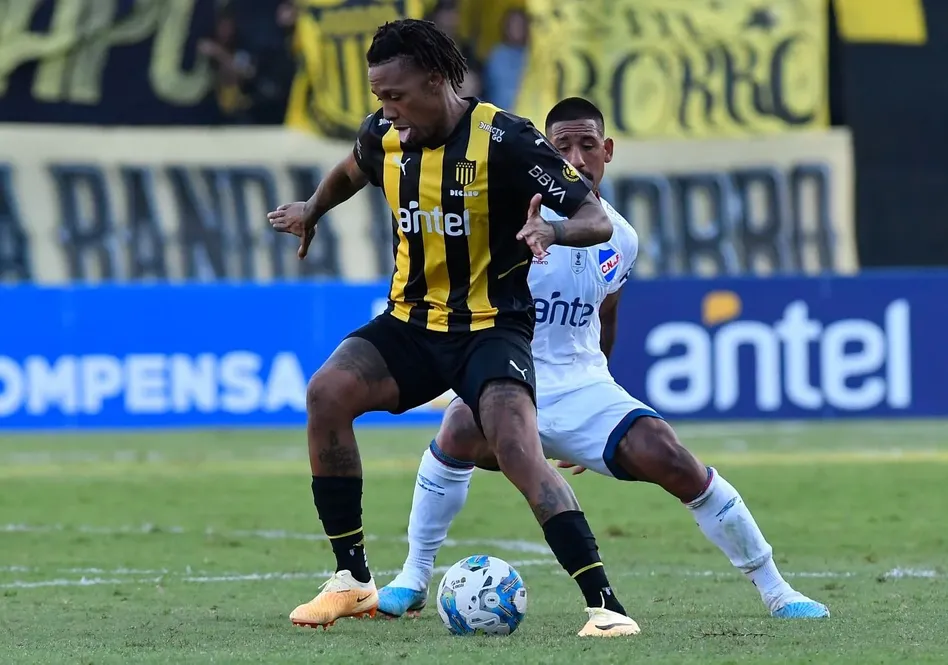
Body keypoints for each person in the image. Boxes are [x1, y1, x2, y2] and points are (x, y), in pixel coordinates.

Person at [376, 97, 831, 622]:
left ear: (607, 150)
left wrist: (599, 406)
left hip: (581, 384)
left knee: (670, 455)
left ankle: (777, 590)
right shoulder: (504, 218)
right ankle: (413, 576)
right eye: (562, 147)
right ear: (544, 153)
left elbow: (605, 314)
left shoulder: (621, 237)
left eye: (587, 145)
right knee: (457, 429)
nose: (576, 158)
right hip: (503, 373)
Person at [267, 20, 639, 637]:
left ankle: (605, 606)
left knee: (517, 448)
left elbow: (595, 219)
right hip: (411, 323)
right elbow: (353, 168)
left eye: (396, 95)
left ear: (437, 80)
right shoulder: (385, 132)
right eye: (379, 96)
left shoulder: (507, 139)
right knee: (326, 394)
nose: (387, 109)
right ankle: (352, 579)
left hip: (490, 328)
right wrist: (312, 208)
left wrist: (552, 230)